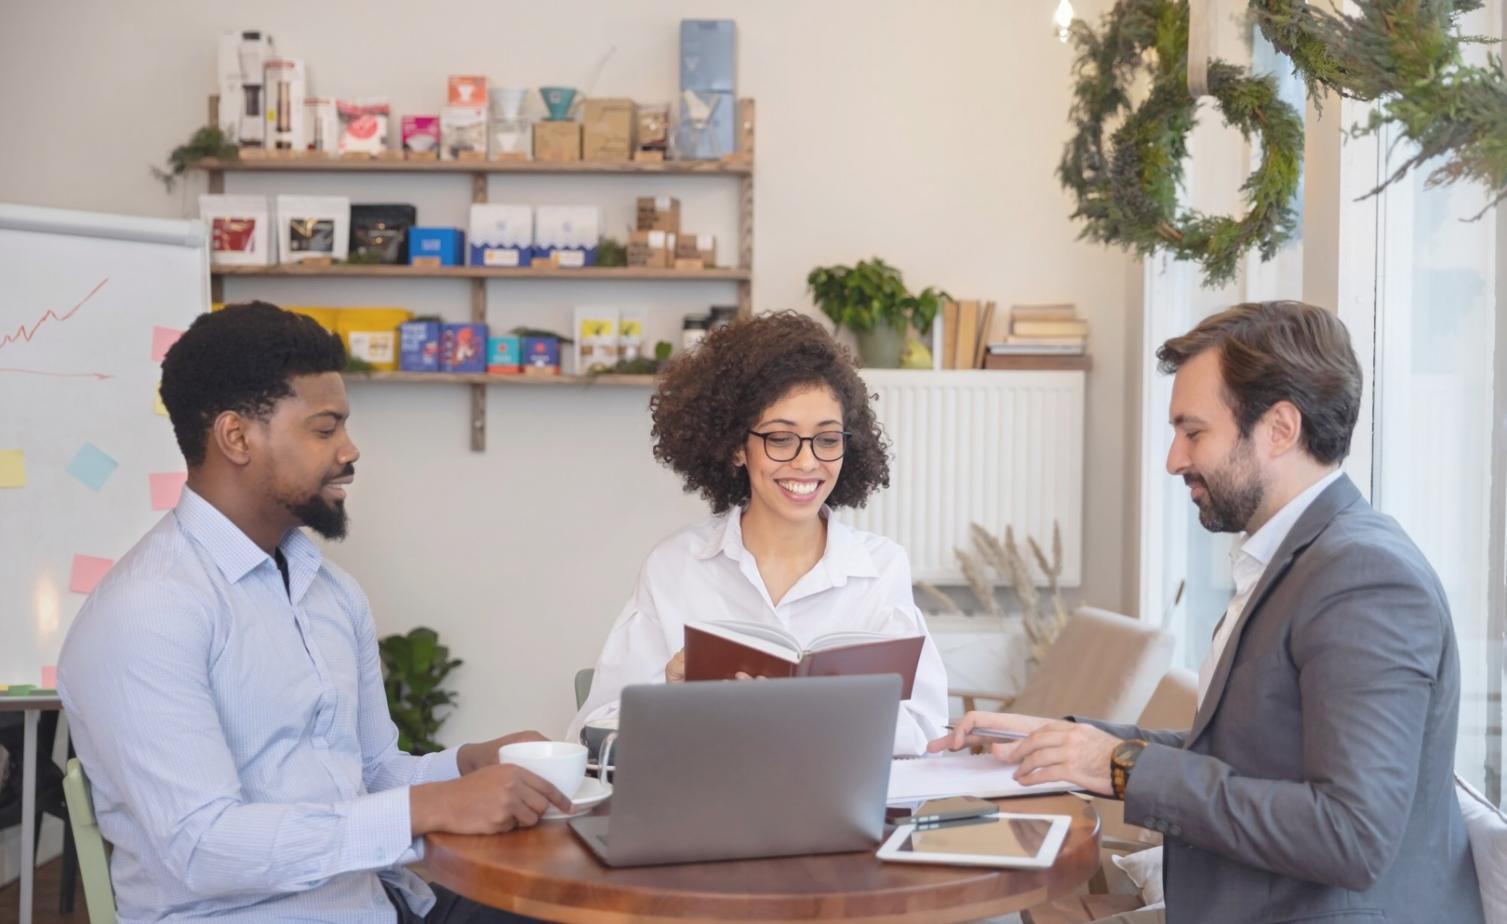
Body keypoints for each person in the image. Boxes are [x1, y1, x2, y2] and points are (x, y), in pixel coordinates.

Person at [932, 301, 1483, 923]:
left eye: (1193, 432)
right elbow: (1238, 751)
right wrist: (1068, 742)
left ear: (1279, 428)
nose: (1174, 460)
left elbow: (1350, 835)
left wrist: (1116, 767)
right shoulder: (1296, 560)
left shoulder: (1364, 579)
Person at [59, 302, 569, 923]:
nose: (350, 450)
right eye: (325, 430)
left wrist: (469, 765)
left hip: (375, 900)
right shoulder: (147, 613)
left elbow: (372, 770)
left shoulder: (329, 591)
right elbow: (203, 846)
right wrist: (428, 807)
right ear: (236, 437)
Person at [568, 311, 949, 755]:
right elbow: (594, 732)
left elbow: (926, 729)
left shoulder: (882, 569)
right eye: (780, 439)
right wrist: (671, 692)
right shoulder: (676, 565)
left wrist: (820, 712)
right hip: (707, 809)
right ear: (735, 447)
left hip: (834, 813)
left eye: (827, 440)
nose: (807, 463)